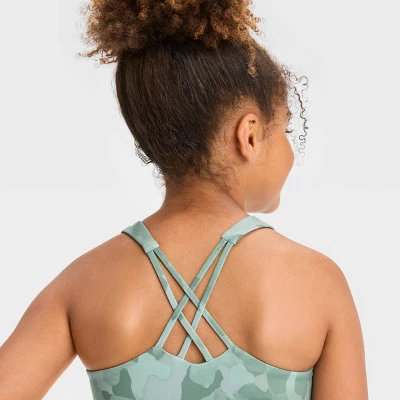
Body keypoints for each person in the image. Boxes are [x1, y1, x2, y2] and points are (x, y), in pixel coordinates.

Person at [0, 0, 368, 399]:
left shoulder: (84, 284)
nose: (289, 148)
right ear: (248, 135)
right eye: (284, 129)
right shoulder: (317, 283)